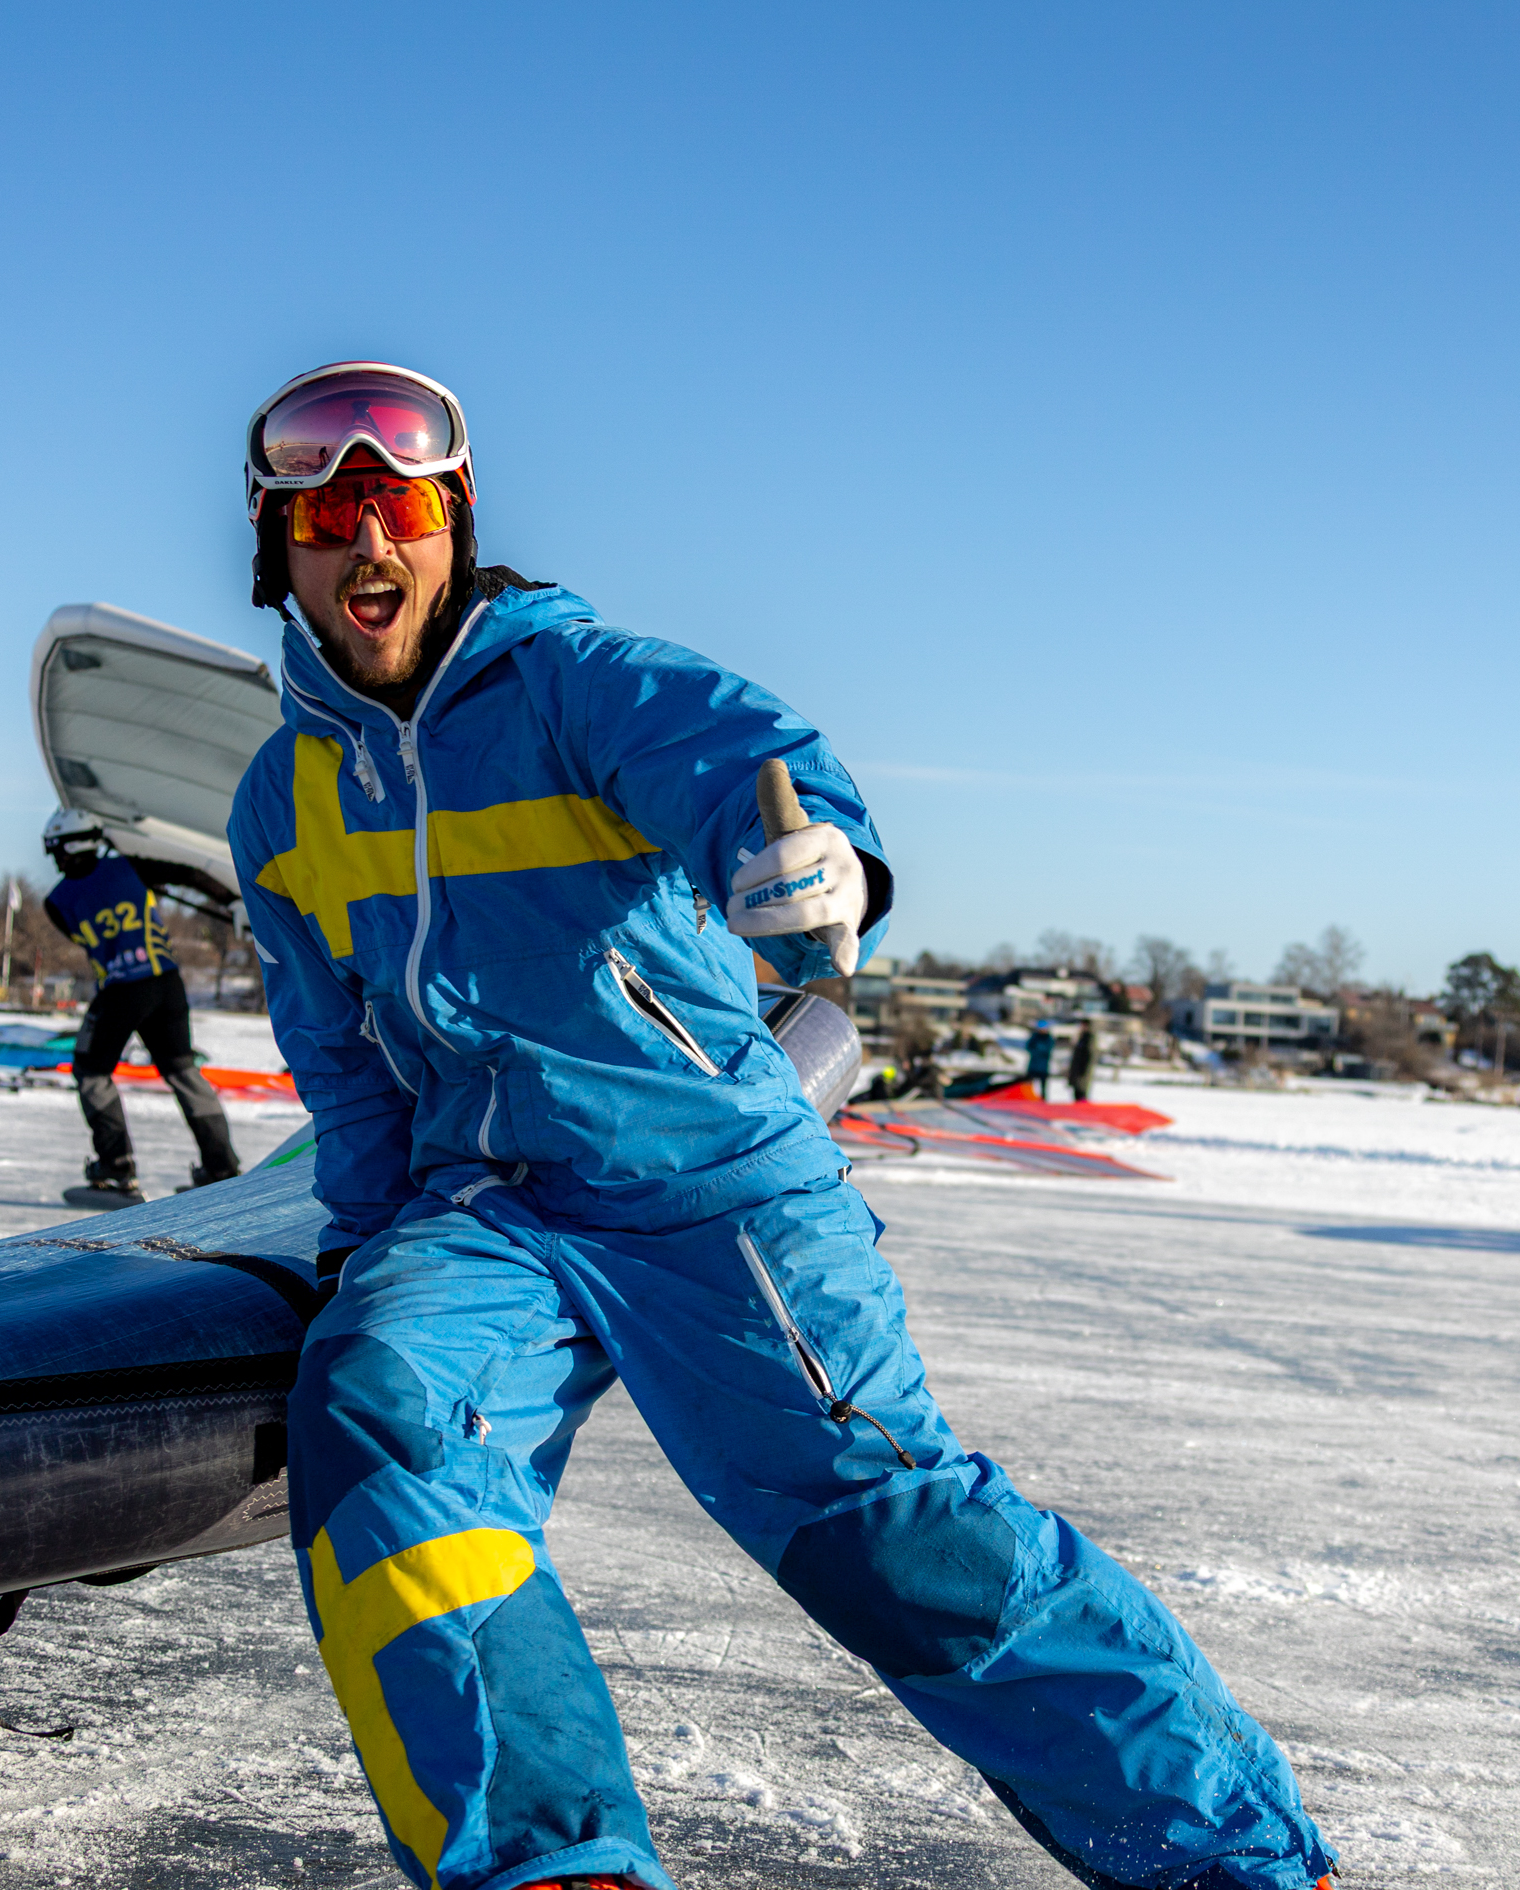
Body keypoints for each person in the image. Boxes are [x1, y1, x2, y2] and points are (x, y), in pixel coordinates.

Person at [227, 362, 1335, 1890]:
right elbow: (339, 1053)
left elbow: (742, 758)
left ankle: (1232, 1859)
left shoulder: (575, 683)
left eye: (400, 505)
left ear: (454, 522)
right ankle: (555, 1865)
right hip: (484, 1203)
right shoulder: (280, 797)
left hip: (709, 1182)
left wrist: (814, 857)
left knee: (887, 1534)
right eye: (324, 516)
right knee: (380, 1409)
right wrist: (363, 1242)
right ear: (276, 547)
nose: (368, 542)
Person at [42, 812, 242, 1201]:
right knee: (183, 1072)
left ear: (68, 847)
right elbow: (190, 874)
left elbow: (80, 935)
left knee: (91, 1072)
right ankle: (222, 1168)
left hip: (121, 990)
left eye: (56, 852)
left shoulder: (56, 901)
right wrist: (233, 900)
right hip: (167, 984)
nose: (55, 860)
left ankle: (116, 1169)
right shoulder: (129, 866)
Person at [1025, 1019, 1057, 1099]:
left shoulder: (1048, 1038)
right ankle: (1028, 1098)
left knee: (1043, 1086)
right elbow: (1029, 1047)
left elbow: (1047, 1049)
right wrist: (1036, 1050)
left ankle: (1043, 1099)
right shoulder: (1035, 1037)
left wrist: (1038, 1049)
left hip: (1043, 1067)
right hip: (1033, 1065)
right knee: (1029, 1084)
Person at [1068, 1015, 1098, 1102]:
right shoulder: (1080, 1037)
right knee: (1076, 1092)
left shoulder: (1090, 1038)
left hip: (1083, 1071)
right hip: (1077, 1070)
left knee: (1081, 1093)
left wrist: (1084, 1069)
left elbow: (1090, 1054)